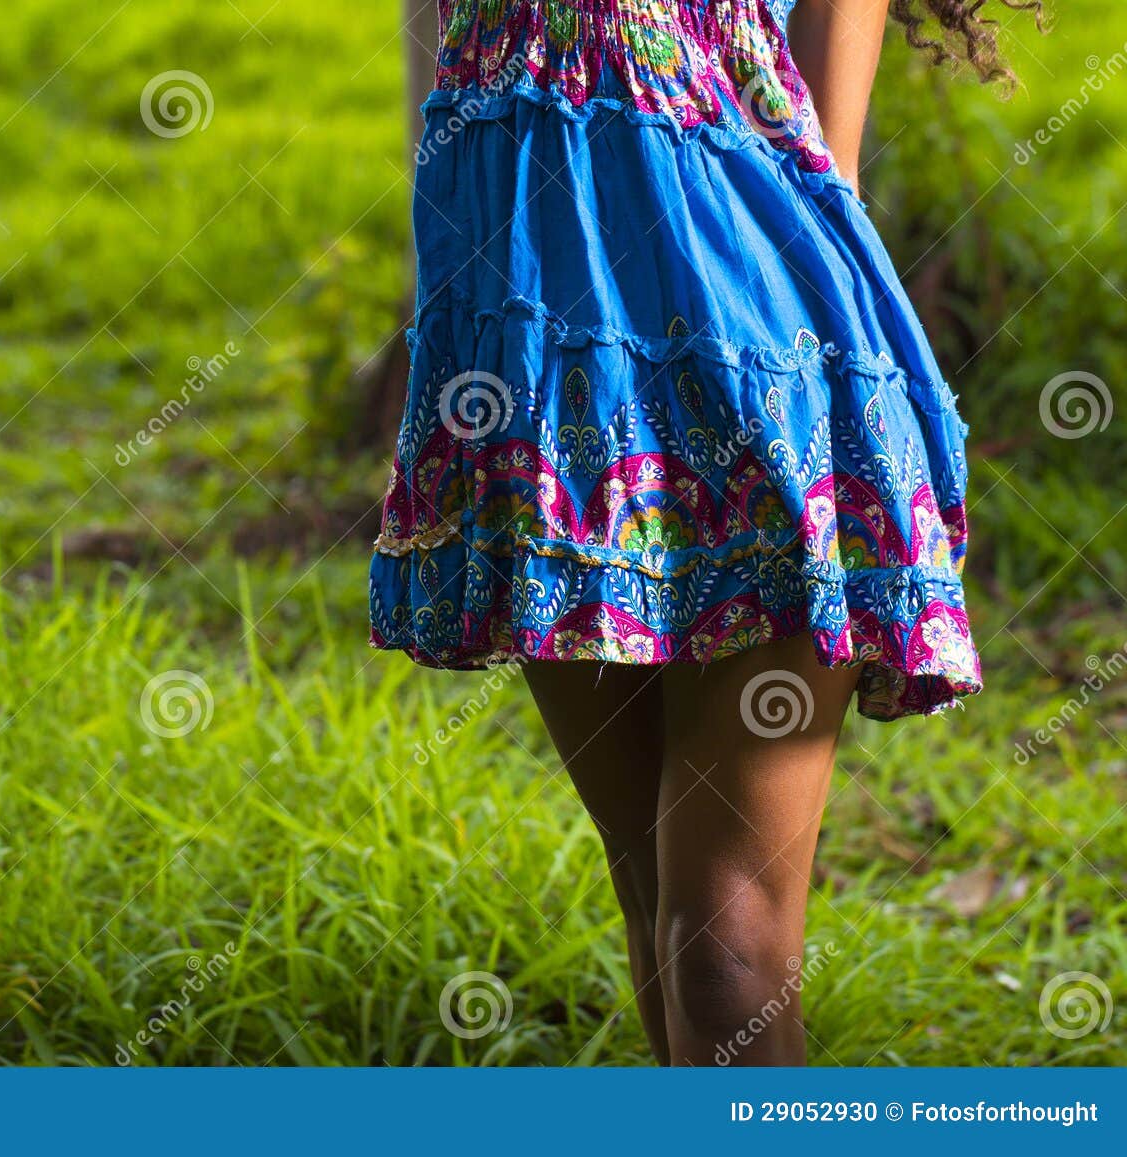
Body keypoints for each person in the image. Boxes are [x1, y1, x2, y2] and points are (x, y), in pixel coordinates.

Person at [370, 0, 1041, 1065]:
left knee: (727, 946)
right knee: (653, 897)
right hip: (531, 381)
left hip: (750, 352)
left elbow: (828, 148)